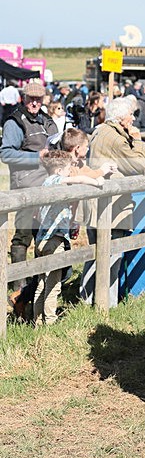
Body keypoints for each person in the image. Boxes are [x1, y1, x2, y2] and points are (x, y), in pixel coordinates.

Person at [80, 97, 145, 305]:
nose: (133, 120)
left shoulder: (101, 130)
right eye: (130, 116)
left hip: (96, 204)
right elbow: (139, 165)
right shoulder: (116, 138)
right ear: (121, 118)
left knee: (94, 255)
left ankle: (87, 300)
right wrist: (136, 139)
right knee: (112, 258)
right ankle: (107, 304)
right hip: (112, 207)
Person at [0, 81, 58, 308]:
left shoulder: (48, 121)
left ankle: (39, 287)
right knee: (23, 237)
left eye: (38, 99)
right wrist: (37, 158)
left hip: (48, 190)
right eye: (30, 99)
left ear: (43, 99)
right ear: (24, 98)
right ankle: (18, 289)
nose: (34, 103)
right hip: (25, 191)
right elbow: (6, 154)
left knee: (45, 239)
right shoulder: (15, 122)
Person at [33, 151, 104, 326]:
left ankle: (37, 321)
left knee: (41, 282)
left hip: (42, 239)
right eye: (67, 168)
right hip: (54, 240)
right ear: (58, 170)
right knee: (53, 284)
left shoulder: (45, 182)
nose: (70, 171)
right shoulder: (56, 182)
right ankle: (50, 321)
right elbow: (78, 180)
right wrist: (96, 182)